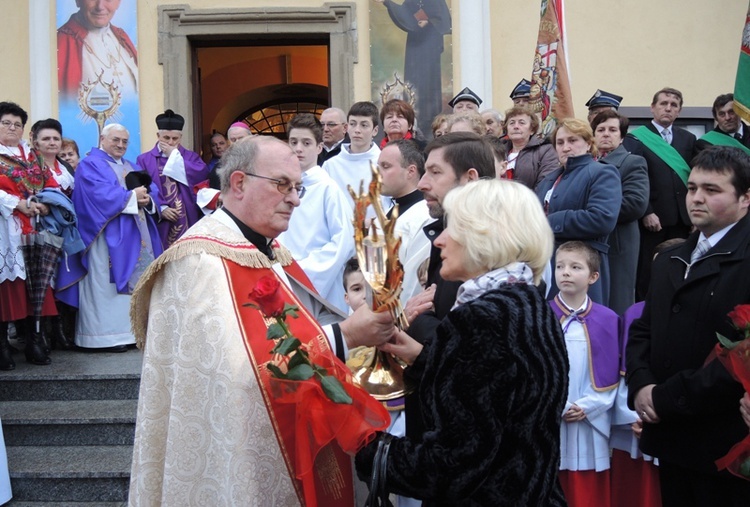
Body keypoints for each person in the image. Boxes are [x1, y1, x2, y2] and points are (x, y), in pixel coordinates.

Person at [129, 136, 395, 505]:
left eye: (298, 186)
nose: (296, 199)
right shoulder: (200, 263)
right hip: (233, 457)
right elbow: (237, 377)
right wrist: (344, 336)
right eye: (282, 184)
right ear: (238, 183)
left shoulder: (261, 250)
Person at [355, 178, 569, 506]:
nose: (439, 240)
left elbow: (455, 466)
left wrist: (369, 449)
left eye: (451, 227)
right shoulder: (529, 302)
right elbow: (499, 395)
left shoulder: (482, 318)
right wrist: (426, 357)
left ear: (485, 235)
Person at [626, 146, 750, 506]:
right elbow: (643, 329)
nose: (696, 198)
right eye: (692, 187)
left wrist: (664, 398)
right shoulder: (669, 258)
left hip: (725, 441)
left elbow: (739, 357)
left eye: (712, 190)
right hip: (671, 435)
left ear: (745, 198)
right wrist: (640, 385)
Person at [402, 132, 496, 446]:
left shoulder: (492, 250)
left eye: (435, 172)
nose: (422, 184)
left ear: (469, 179)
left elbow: (474, 357)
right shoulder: (445, 232)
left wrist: (415, 323)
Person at [65, 123, 162, 352]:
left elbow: (150, 189)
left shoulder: (130, 165)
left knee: (132, 283)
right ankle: (103, 337)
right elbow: (97, 195)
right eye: (115, 140)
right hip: (104, 236)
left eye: (124, 141)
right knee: (104, 283)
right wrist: (131, 197)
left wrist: (148, 199)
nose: (120, 145)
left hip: (135, 236)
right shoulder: (90, 164)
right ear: (102, 138)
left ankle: (130, 334)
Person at [551, 241, 619, 507]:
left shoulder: (609, 319)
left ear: (593, 277)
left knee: (587, 491)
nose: (565, 272)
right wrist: (560, 405)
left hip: (589, 418)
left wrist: (589, 406)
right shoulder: (542, 316)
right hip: (552, 416)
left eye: (575, 267)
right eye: (559, 266)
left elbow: (613, 373)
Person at [536, 118, 621, 305]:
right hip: (546, 265)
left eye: (572, 141)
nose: (565, 147)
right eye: (560, 142)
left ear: (589, 144)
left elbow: (602, 218)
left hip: (583, 267)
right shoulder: (547, 180)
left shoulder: (602, 173)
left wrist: (548, 221)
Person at [0, 102, 59, 368]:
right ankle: (2, 346)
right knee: (7, 287)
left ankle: (34, 342)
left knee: (36, 284)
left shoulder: (32, 155)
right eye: (6, 123)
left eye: (17, 124)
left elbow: (51, 184)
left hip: (34, 225)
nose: (12, 128)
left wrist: (45, 203)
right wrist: (16, 204)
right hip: (5, 227)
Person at [278, 113, 354, 313]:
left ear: (319, 147)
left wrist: (302, 270)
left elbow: (344, 242)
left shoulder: (328, 189)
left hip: (319, 283)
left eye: (306, 143)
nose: (298, 149)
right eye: (293, 142)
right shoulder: (278, 187)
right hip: (282, 276)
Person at [630, 87, 697, 300]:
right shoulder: (637, 138)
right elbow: (635, 180)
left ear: (679, 111)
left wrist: (694, 214)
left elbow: (694, 177)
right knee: (648, 272)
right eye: (663, 104)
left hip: (682, 219)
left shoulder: (688, 138)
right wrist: (647, 211)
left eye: (673, 105)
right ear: (652, 108)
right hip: (653, 218)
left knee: (679, 268)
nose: (668, 108)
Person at [592, 110, 649, 314]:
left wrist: (594, 211)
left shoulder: (632, 162)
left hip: (618, 243)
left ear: (622, 136)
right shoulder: (588, 164)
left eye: (612, 130)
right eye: (601, 129)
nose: (606, 134)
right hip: (589, 243)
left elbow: (636, 204)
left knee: (617, 303)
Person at [373, 0, 452, 135]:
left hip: (431, 43)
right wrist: (388, 3)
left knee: (429, 79)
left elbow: (443, 18)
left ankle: (431, 117)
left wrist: (429, 22)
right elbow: (404, 15)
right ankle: (413, 114)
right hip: (415, 44)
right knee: (414, 77)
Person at [137, 110, 209, 248]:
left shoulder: (191, 157)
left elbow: (201, 175)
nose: (170, 142)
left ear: (180, 137)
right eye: (166, 138)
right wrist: (161, 207)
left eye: (175, 139)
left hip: (187, 214)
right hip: (160, 218)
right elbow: (142, 187)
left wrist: (173, 156)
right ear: (158, 136)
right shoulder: (144, 160)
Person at [377, 139, 432, 303]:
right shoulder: (391, 210)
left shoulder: (424, 216)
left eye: (385, 167)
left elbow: (413, 281)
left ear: (411, 171)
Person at [57, 0, 138, 95]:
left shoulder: (122, 36)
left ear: (118, 2)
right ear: (78, 1)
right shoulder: (60, 42)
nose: (100, 7)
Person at [322, 101, 384, 211]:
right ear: (347, 128)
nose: (357, 130)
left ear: (375, 130)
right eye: (353, 124)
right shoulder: (330, 166)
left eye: (364, 125)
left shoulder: (383, 164)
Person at [502, 105, 560, 189]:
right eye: (512, 123)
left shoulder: (545, 150)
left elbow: (545, 184)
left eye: (521, 123)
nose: (516, 126)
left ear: (532, 130)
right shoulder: (498, 150)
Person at [30, 118, 75, 197]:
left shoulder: (66, 167)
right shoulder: (29, 167)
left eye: (56, 139)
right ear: (36, 144)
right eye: (46, 139)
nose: (52, 143)